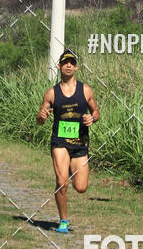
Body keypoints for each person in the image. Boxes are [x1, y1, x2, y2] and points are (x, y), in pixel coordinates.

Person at [36, 50, 100, 234]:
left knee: (81, 187)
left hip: (80, 143)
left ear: (76, 67)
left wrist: (91, 118)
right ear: (59, 66)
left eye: (72, 62)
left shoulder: (86, 90)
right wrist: (41, 116)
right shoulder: (51, 93)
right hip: (60, 142)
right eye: (65, 63)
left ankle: (70, 169)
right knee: (62, 181)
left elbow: (96, 112)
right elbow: (40, 119)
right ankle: (63, 220)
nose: (69, 65)